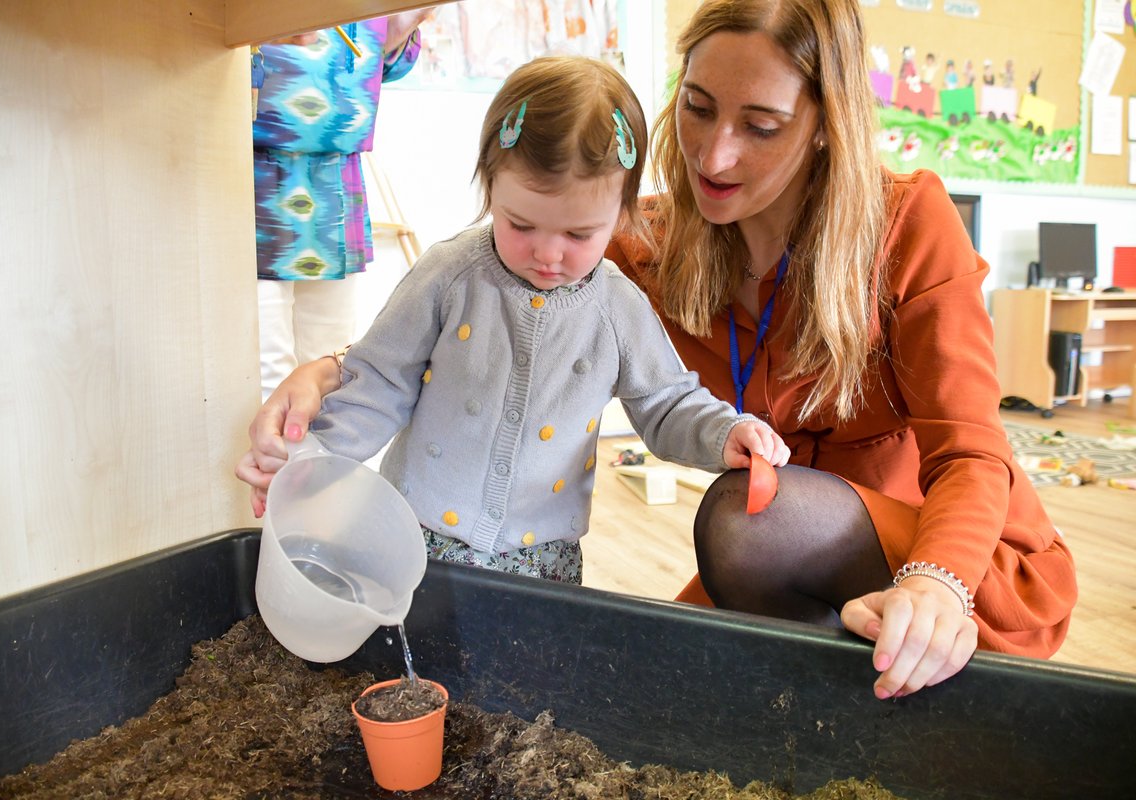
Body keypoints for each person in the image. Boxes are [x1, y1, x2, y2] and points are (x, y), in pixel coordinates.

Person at [237, 0, 1077, 701]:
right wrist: (332, 370)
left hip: (939, 559)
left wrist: (937, 580)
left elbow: (971, 451)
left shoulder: (907, 226)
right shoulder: (639, 252)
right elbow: (481, 293)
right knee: (664, 668)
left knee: (750, 519)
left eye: (763, 125)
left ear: (827, 125)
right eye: (699, 106)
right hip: (763, 563)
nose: (714, 156)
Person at [254, 55, 789, 585]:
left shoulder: (619, 308)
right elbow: (381, 379)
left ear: (622, 214)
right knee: (415, 663)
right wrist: (312, 458)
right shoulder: (449, 274)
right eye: (521, 224)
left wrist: (726, 431)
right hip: (417, 533)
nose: (548, 254)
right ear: (490, 186)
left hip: (542, 558)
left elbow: (666, 403)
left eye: (579, 235)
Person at [253, 13, 430, 402]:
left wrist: (398, 31)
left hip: (336, 178)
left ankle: (315, 461)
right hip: (249, 172)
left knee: (328, 367)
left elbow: (385, 63)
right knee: (257, 371)